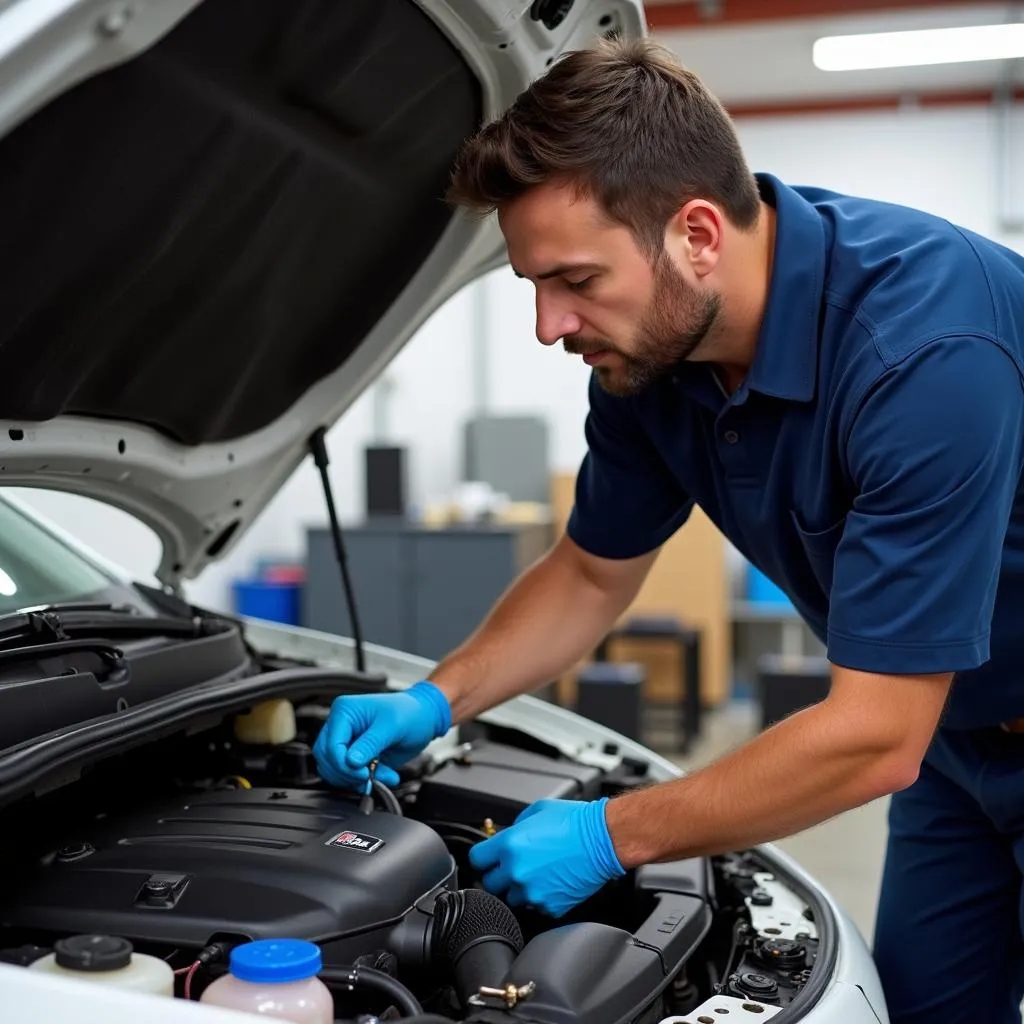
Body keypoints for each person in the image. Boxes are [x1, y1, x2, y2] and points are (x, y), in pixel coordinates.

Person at [312, 37, 1024, 1024]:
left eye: (573, 280)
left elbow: (874, 733)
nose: (547, 324)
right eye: (530, 285)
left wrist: (613, 834)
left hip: (922, 725)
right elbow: (589, 576)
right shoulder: (651, 364)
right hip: (959, 746)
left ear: (696, 234)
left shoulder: (921, 352)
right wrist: (435, 699)